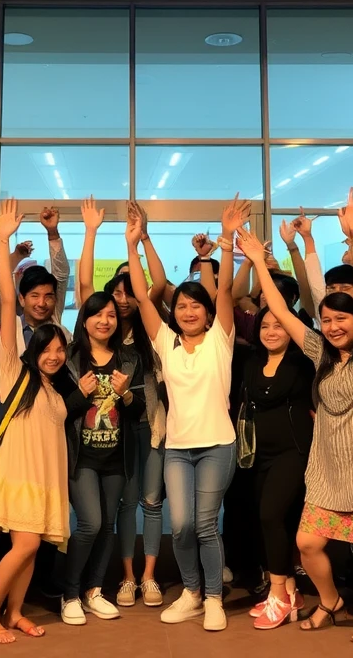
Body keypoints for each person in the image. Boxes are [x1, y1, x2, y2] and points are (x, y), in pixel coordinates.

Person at [238, 190, 353, 645]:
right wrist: (259, 261)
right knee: (308, 543)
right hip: (328, 467)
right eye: (328, 319)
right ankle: (331, 601)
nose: (334, 325)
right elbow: (278, 311)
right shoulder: (319, 354)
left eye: (343, 319)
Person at [125, 195, 248, 632]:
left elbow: (228, 291)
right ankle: (191, 592)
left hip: (217, 444)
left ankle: (212, 597)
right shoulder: (165, 343)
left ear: (209, 312)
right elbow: (142, 296)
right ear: (173, 314)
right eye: (182, 305)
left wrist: (227, 240)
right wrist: (133, 243)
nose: (189, 310)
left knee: (203, 524)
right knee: (178, 527)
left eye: (197, 304)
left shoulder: (221, 339)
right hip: (177, 448)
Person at [0, 199, 70, 645]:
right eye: (46, 348)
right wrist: (4, 240)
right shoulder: (14, 367)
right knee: (25, 546)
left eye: (59, 349)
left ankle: (14, 612)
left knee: (30, 552)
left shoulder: (53, 387)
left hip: (47, 477)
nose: (53, 354)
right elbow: (8, 301)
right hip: (19, 475)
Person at [79, 198, 168, 610]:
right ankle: (128, 578)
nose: (122, 300)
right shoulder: (104, 336)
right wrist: (92, 232)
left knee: (151, 499)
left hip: (147, 421)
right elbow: (83, 290)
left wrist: (142, 237)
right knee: (127, 502)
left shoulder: (150, 328)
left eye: (129, 291)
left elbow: (161, 284)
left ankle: (150, 576)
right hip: (112, 427)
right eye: (116, 294)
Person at [61, 289, 143, 625]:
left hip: (116, 457)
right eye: (98, 314)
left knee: (107, 526)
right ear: (86, 319)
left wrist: (124, 395)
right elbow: (59, 412)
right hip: (81, 457)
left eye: (111, 315)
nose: (105, 321)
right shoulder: (68, 359)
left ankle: (93, 590)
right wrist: (80, 394)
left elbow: (139, 411)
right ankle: (69, 592)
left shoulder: (129, 359)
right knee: (90, 523)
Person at [243, 291, 316, 630]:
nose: (271, 332)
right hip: (260, 453)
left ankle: (278, 596)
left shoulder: (303, 361)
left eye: (279, 326)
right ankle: (290, 591)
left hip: (295, 450)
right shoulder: (251, 361)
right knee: (276, 522)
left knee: (271, 514)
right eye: (265, 326)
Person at [0, 207, 70, 357]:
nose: (42, 303)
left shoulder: (55, 322)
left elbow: (61, 274)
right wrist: (6, 242)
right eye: (35, 296)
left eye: (48, 296)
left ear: (55, 299)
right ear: (22, 299)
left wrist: (53, 233)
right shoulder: (9, 323)